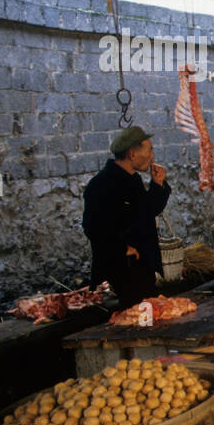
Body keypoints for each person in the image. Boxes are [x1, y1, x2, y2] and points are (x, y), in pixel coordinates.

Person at [82, 126, 171, 307]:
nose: (152, 156)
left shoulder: (133, 180)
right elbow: (92, 227)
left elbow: (148, 212)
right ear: (132, 154)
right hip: (121, 271)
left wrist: (158, 185)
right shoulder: (101, 185)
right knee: (130, 322)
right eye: (150, 150)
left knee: (148, 318)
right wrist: (122, 248)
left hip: (141, 269)